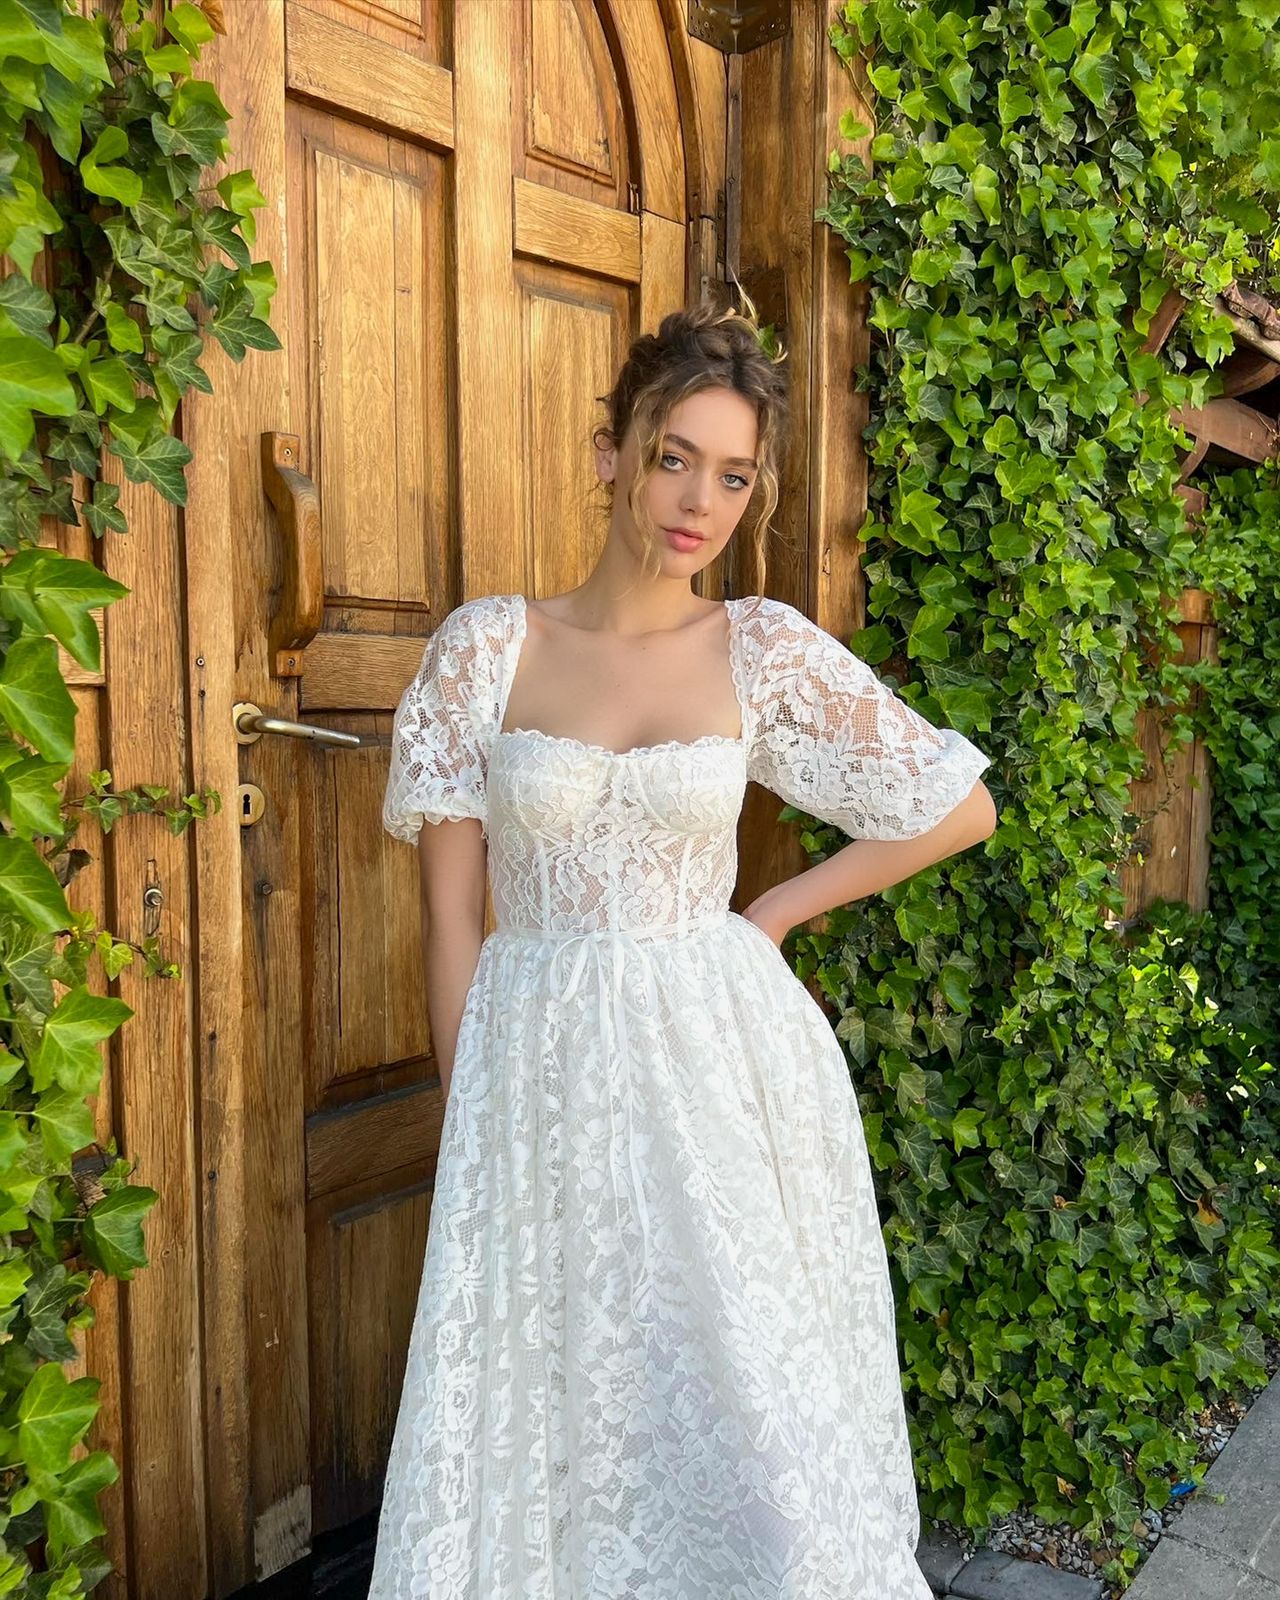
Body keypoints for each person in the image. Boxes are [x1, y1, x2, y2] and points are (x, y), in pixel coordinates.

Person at [369, 296, 996, 1599]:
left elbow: (955, 805)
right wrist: (469, 1117)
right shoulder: (487, 651)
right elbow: (451, 919)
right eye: (673, 457)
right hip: (536, 1072)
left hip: (717, 1078)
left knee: (750, 1433)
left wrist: (773, 912)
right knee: (565, 1433)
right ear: (613, 451)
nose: (698, 500)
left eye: (733, 472)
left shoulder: (756, 647)